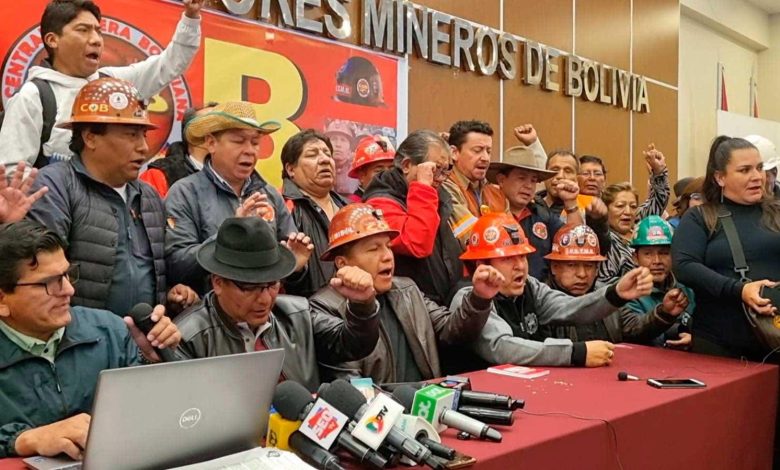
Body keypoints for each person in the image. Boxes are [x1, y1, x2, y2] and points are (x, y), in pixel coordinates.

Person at [0, 220, 180, 459]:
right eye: (49, 283)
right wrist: (22, 440)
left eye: (67, 274)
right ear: (2, 300)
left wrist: (154, 363)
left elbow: (161, 416)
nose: (68, 290)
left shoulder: (109, 331)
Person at [27, 77, 197, 316]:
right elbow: (41, 276)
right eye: (131, 135)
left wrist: (170, 293)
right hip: (79, 336)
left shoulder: (148, 196)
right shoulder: (55, 187)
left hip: (146, 334)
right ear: (90, 137)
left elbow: (155, 270)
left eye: (143, 135)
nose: (143, 147)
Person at [174, 217, 379, 391]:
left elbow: (353, 344)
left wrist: (362, 305)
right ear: (218, 283)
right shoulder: (187, 336)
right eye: (250, 288)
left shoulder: (297, 314)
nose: (264, 299)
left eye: (272, 285)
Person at [0, 0, 204, 172]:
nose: (96, 40)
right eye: (83, 30)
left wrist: (191, 17)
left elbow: (170, 64)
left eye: (98, 31)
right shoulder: (33, 96)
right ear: (53, 40)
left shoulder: (114, 84)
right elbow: (12, 173)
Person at [310, 203, 502, 383]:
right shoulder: (323, 307)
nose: (387, 256)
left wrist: (479, 299)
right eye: (373, 249)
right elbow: (352, 387)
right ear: (342, 263)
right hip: (381, 406)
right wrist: (362, 305)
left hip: (425, 400)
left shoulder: (407, 289)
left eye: (388, 246)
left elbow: (451, 331)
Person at [450, 213, 655, 368]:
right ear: (482, 265)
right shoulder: (469, 297)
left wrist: (616, 293)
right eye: (507, 259)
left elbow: (569, 307)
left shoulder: (530, 286)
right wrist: (574, 353)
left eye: (522, 257)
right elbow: (502, 347)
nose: (520, 266)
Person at [164, 102, 296, 294]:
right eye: (238, 141)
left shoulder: (270, 195)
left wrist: (295, 263)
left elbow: (287, 265)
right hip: (208, 309)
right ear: (211, 143)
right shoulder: (185, 193)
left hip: (264, 308)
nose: (250, 150)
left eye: (255, 143)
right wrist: (230, 234)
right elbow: (177, 264)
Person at [672, 136, 780, 360]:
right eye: (745, 170)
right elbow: (684, 266)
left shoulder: (776, 213)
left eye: (759, 168)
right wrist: (739, 290)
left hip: (775, 342)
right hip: (719, 345)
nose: (757, 176)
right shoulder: (700, 217)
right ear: (720, 177)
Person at [363, 130, 464, 305]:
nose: (441, 178)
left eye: (446, 170)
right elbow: (417, 243)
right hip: (409, 306)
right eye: (434, 169)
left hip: (444, 301)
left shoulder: (439, 195)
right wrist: (423, 187)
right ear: (407, 165)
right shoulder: (379, 202)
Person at [546, 223, 688, 346]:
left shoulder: (608, 293)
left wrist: (664, 313)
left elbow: (633, 329)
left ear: (597, 269)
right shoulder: (541, 300)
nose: (582, 274)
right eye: (572, 265)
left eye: (589, 266)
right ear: (554, 267)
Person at [489, 145, 609, 281]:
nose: (528, 186)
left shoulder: (542, 214)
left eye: (533, 180)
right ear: (501, 180)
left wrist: (570, 202)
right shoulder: (487, 213)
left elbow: (575, 244)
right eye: (521, 178)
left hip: (539, 291)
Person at [281, 129, 350, 297]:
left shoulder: (350, 208)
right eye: (312, 155)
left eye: (328, 154)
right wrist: (294, 269)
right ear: (291, 169)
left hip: (353, 306)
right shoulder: (283, 208)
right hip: (306, 308)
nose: (325, 160)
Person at [623, 216, 694, 348]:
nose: (657, 261)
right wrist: (664, 312)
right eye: (648, 254)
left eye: (664, 253)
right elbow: (632, 331)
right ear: (635, 258)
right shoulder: (626, 292)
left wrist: (695, 338)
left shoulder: (688, 289)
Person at [441, 120, 508, 244]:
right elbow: (474, 238)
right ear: (454, 153)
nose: (485, 158)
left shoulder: (497, 194)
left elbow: (514, 236)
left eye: (488, 151)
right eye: (477, 150)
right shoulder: (445, 188)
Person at [140, 102, 218, 198]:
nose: (222, 130)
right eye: (212, 123)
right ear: (191, 134)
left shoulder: (233, 174)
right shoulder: (158, 175)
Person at [347, 135, 395, 203]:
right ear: (362, 176)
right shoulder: (352, 206)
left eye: (391, 170)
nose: (387, 176)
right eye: (379, 171)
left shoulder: (400, 202)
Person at [324, 120, 357, 196]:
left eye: (343, 140)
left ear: (350, 149)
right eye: (334, 139)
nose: (338, 144)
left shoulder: (356, 172)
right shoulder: (318, 168)